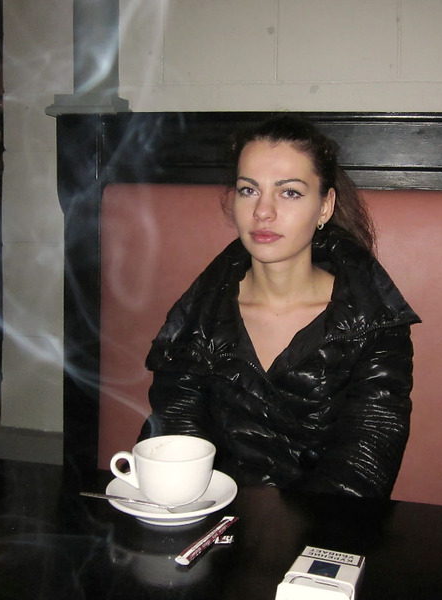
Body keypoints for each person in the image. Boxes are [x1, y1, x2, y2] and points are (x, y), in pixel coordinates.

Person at [139, 114, 420, 498]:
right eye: (248, 190)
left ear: (325, 206)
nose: (263, 212)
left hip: (326, 525)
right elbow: (175, 437)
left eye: (289, 192)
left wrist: (285, 529)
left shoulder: (373, 323)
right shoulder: (197, 318)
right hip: (213, 522)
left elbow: (365, 463)